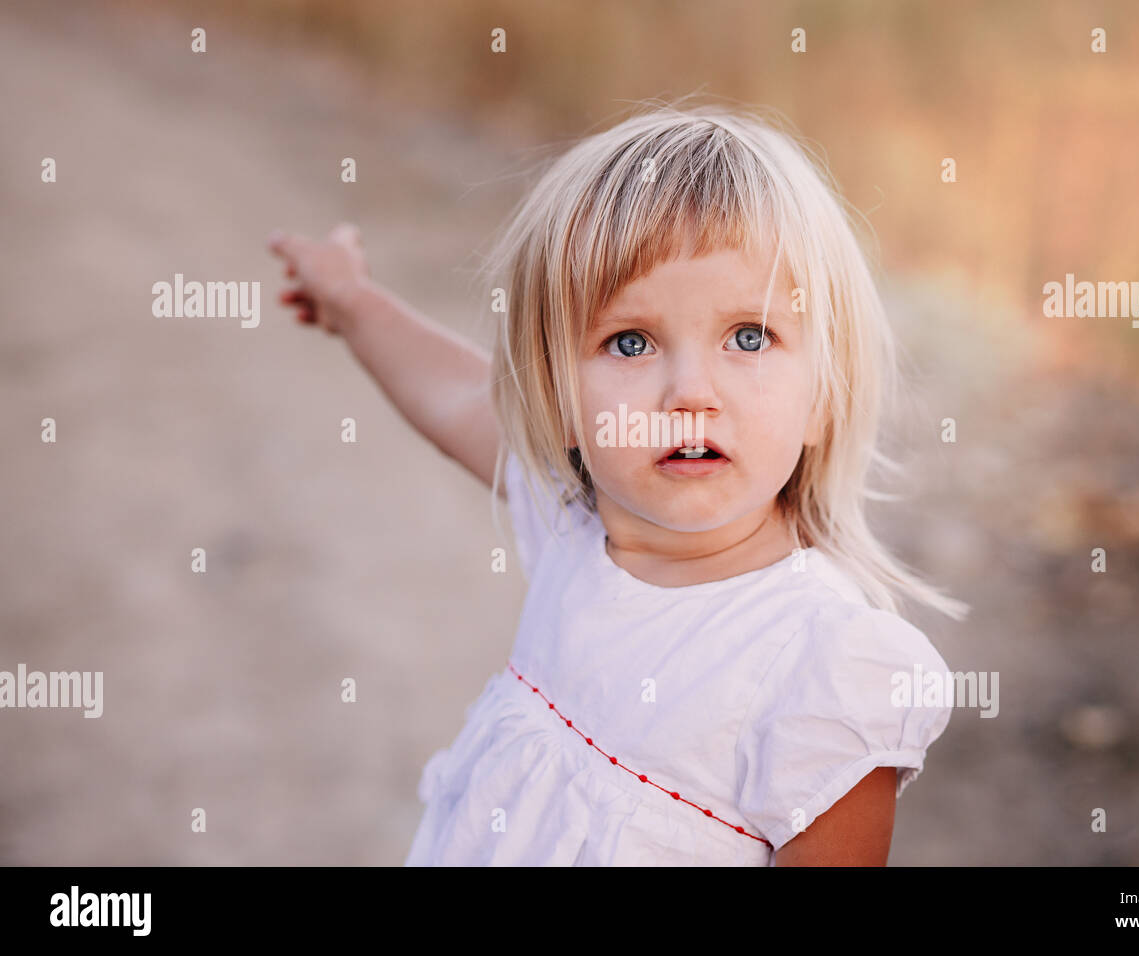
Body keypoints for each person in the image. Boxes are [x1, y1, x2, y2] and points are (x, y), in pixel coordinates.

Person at [267, 99, 968, 866]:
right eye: (630, 342)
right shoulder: (579, 519)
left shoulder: (821, 663)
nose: (691, 393)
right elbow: (457, 396)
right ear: (558, 400)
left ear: (824, 394)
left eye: (749, 336)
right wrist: (352, 301)